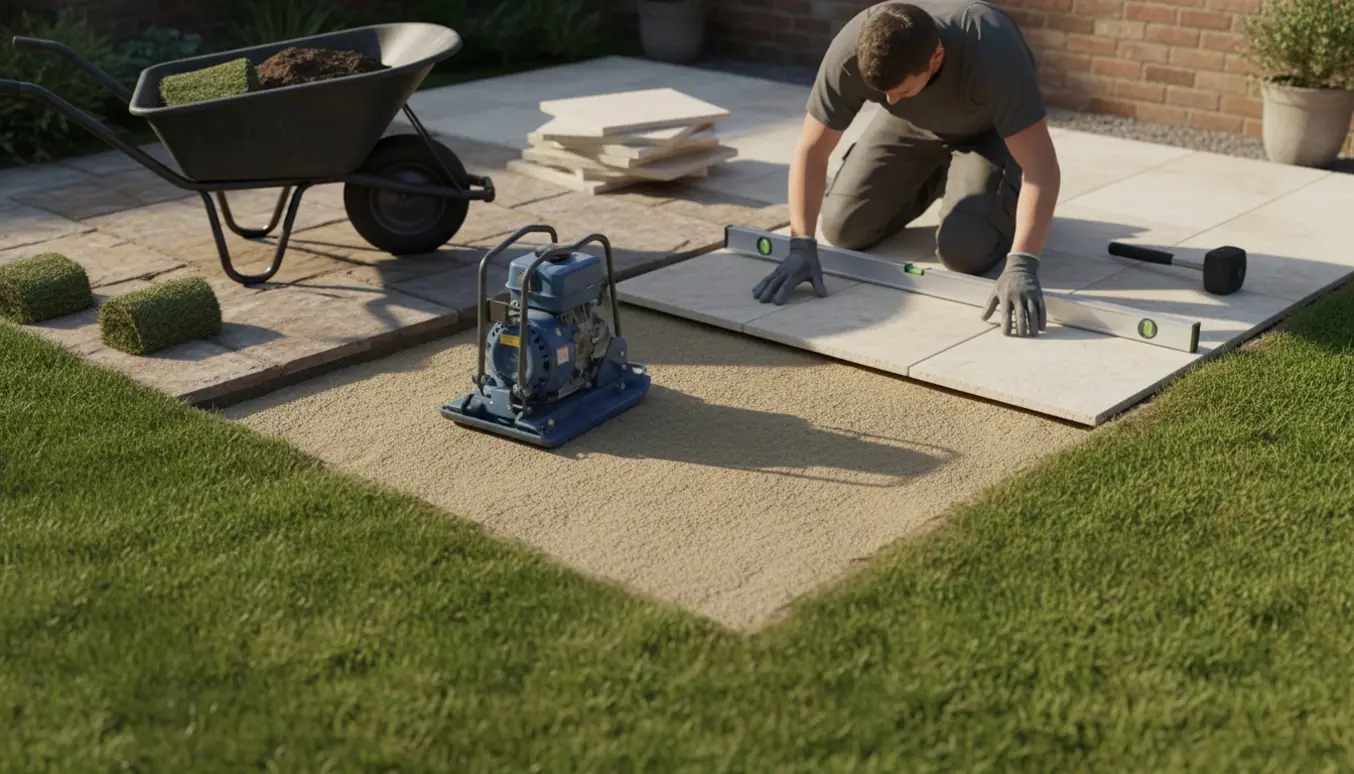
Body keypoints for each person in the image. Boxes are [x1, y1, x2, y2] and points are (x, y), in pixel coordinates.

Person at [751, 0, 1061, 337]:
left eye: (900, 89)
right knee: (843, 229)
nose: (890, 99)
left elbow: (1042, 167)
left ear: (936, 57)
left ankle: (984, 187)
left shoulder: (992, 49)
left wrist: (1023, 263)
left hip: (988, 134)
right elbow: (811, 151)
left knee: (964, 252)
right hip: (910, 126)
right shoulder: (854, 49)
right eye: (883, 93)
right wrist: (801, 244)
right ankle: (940, 177)